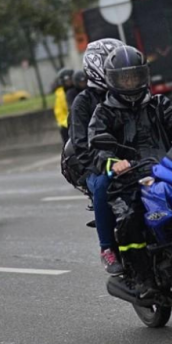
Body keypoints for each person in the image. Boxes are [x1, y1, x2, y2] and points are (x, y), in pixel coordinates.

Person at [88, 46, 172, 297]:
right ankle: (142, 277)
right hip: (129, 176)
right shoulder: (104, 112)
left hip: (165, 168)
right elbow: (97, 145)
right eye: (125, 78)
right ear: (113, 80)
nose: (131, 83)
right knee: (131, 215)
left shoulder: (157, 103)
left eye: (135, 76)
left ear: (144, 76)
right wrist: (112, 162)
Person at [67, 38, 124, 275]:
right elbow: (81, 146)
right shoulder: (83, 102)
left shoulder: (131, 92)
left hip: (133, 160)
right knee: (103, 185)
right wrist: (105, 163)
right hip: (96, 166)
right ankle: (107, 248)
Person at [54, 68, 74, 143]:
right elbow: (59, 113)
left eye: (70, 79)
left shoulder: (78, 90)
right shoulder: (59, 94)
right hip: (68, 123)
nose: (68, 82)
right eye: (66, 80)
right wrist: (67, 123)